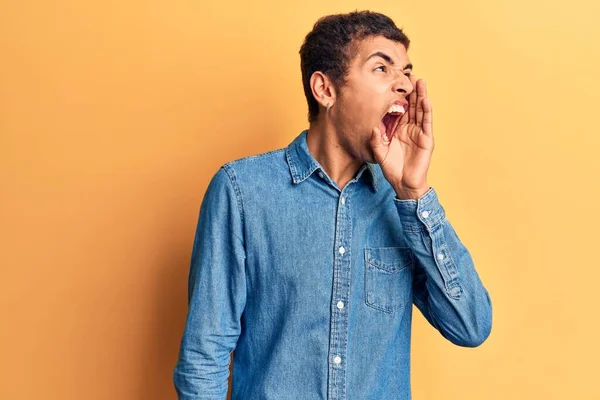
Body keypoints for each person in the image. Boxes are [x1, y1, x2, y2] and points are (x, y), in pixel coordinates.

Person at [173, 10, 493, 400]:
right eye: (382, 68)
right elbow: (203, 356)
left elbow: (471, 326)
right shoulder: (242, 192)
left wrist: (414, 192)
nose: (404, 85)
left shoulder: (404, 206)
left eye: (406, 72)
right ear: (325, 90)